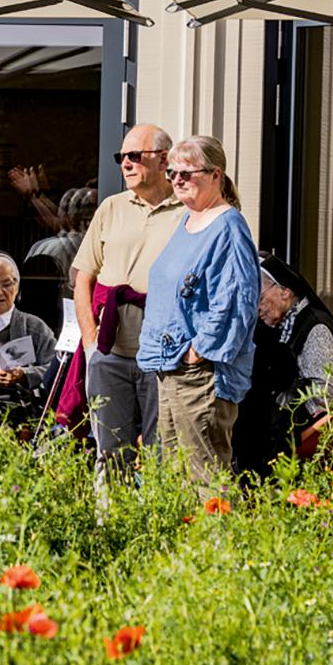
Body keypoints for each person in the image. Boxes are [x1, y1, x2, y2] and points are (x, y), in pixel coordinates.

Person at [137, 135, 259, 489]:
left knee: (204, 477)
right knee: (174, 480)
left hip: (200, 373)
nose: (176, 180)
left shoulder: (228, 226)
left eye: (187, 174)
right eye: (173, 172)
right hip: (171, 367)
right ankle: (184, 546)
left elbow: (235, 300)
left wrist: (199, 352)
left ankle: (217, 545)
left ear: (215, 175)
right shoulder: (189, 221)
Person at [71, 124, 182, 469]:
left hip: (162, 356)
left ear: (164, 160)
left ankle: (152, 522)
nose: (126, 164)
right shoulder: (111, 207)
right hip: (111, 352)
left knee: (160, 452)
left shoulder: (186, 211)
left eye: (136, 156)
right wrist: (91, 344)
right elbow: (83, 278)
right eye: (122, 157)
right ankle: (109, 522)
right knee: (109, 452)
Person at [237, 254, 333, 473]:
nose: (256, 308)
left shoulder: (316, 328)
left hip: (304, 442)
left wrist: (278, 413)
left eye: (259, 299)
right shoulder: (276, 326)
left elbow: (323, 393)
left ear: (285, 291)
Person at [0, 251, 58, 402]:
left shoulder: (34, 327)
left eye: (7, 284)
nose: (0, 292)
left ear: (17, 287)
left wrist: (25, 375)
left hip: (17, 405)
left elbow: (57, 369)